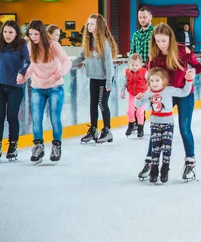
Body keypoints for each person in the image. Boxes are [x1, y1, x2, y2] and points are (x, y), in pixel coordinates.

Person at [138, 23, 201, 181]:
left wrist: (192, 73)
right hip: (166, 94)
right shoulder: (153, 56)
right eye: (158, 40)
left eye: (163, 40)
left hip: (184, 92)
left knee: (184, 127)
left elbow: (198, 67)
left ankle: (190, 162)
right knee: (157, 128)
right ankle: (149, 161)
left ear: (170, 39)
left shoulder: (182, 50)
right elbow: (152, 79)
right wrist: (146, 93)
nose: (160, 44)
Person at [23, 20, 72, 164]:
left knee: (54, 119)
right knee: (36, 119)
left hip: (55, 87)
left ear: (42, 33)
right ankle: (38, 146)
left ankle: (56, 146)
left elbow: (66, 61)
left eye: (36, 34)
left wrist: (61, 72)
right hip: (38, 87)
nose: (33, 37)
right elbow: (32, 64)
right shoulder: (31, 46)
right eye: (31, 34)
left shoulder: (53, 45)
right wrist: (24, 75)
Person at [135, 67, 195, 183]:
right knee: (155, 148)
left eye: (157, 81)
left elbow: (184, 92)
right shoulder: (149, 92)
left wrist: (188, 81)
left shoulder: (168, 90)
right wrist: (138, 98)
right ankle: (154, 169)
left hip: (168, 124)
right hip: (155, 124)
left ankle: (165, 168)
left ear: (164, 81)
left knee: (166, 148)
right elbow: (138, 105)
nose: (154, 84)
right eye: (152, 81)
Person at [72, 14, 118, 145]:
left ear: (99, 26)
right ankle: (93, 130)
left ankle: (107, 131)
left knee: (102, 103)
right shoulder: (88, 41)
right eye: (88, 23)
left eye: (92, 24)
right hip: (94, 77)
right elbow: (81, 57)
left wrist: (109, 81)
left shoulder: (104, 42)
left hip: (105, 79)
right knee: (93, 104)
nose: (89, 26)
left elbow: (109, 64)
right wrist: (66, 65)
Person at [0, 20, 30, 160]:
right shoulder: (1, 44)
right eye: (5, 32)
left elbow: (27, 61)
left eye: (10, 32)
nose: (7, 35)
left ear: (16, 33)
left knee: (12, 116)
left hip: (15, 87)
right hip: (0, 85)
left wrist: (22, 72)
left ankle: (13, 144)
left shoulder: (22, 46)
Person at [120, 53, 148, 138]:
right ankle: (131, 124)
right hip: (132, 94)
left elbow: (149, 82)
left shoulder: (144, 72)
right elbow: (125, 83)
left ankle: (140, 128)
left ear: (140, 64)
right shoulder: (128, 72)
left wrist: (147, 93)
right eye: (132, 65)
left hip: (142, 95)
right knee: (130, 111)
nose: (134, 67)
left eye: (137, 65)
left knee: (140, 112)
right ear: (129, 64)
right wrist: (122, 92)